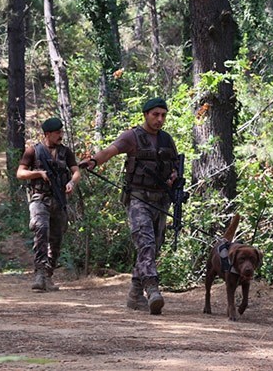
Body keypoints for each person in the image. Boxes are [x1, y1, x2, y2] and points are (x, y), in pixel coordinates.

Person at [80, 97, 179, 315]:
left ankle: (135, 294)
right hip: (138, 198)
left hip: (161, 200)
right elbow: (109, 151)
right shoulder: (132, 137)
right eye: (155, 114)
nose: (160, 119)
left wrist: (173, 177)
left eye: (163, 115)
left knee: (154, 248)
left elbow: (174, 167)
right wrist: (94, 161)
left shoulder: (166, 140)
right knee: (145, 243)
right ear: (145, 115)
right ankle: (152, 290)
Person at [17, 117, 81, 292]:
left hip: (59, 200)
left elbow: (76, 171)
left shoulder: (65, 152)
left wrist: (71, 183)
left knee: (56, 240)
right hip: (40, 199)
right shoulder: (33, 151)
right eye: (57, 133)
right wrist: (37, 173)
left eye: (61, 132)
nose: (60, 135)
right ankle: (39, 274)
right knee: (41, 230)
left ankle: (48, 275)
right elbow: (20, 173)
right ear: (47, 134)